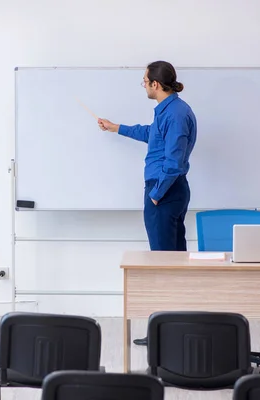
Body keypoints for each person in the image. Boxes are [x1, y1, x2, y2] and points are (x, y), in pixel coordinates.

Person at [98, 61, 197, 346]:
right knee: (173, 262)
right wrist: (116, 127)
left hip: (164, 193)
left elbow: (174, 163)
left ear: (156, 84)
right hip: (168, 192)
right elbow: (150, 135)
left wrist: (156, 194)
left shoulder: (176, 114)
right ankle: (175, 330)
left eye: (144, 80)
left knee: (163, 265)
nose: (142, 84)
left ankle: (164, 335)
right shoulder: (169, 111)